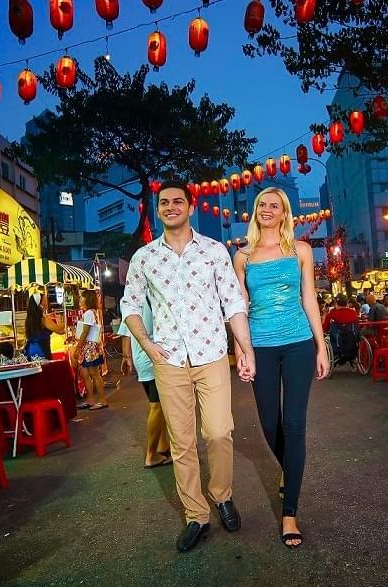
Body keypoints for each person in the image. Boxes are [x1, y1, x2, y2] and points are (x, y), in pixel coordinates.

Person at [120, 180, 255, 553]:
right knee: (182, 442)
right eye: (164, 202)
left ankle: (222, 495)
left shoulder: (214, 251)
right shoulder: (144, 258)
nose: (171, 207)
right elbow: (129, 306)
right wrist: (147, 344)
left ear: (190, 207)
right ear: (158, 208)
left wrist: (245, 349)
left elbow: (233, 302)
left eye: (178, 201)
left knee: (219, 431)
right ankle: (197, 515)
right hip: (170, 361)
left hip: (211, 354)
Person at [234, 187, 329, 549]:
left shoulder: (300, 250)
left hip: (299, 344)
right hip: (261, 346)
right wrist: (242, 351)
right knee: (270, 424)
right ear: (255, 211)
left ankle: (290, 511)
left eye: (275, 205)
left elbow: (310, 299)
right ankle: (290, 469)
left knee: (293, 424)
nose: (268, 209)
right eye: (262, 205)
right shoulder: (242, 257)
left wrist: (321, 346)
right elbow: (238, 309)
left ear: (285, 213)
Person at [118, 297, 172, 468]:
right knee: (157, 406)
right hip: (152, 359)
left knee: (159, 405)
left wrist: (127, 357)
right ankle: (151, 454)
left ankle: (163, 447)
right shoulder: (150, 298)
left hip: (142, 360)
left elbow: (125, 332)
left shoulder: (131, 299)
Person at [73, 289, 108, 410]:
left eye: (82, 297)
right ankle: (91, 399)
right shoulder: (92, 312)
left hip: (89, 348)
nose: (80, 299)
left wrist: (78, 347)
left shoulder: (89, 313)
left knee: (94, 374)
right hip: (89, 347)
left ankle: (102, 400)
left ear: (88, 299)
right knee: (85, 373)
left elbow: (85, 331)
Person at [24, 291, 66, 359]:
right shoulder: (43, 318)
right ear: (40, 304)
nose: (47, 303)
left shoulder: (31, 318)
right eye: (45, 300)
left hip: (31, 348)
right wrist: (63, 320)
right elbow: (60, 331)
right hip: (41, 349)